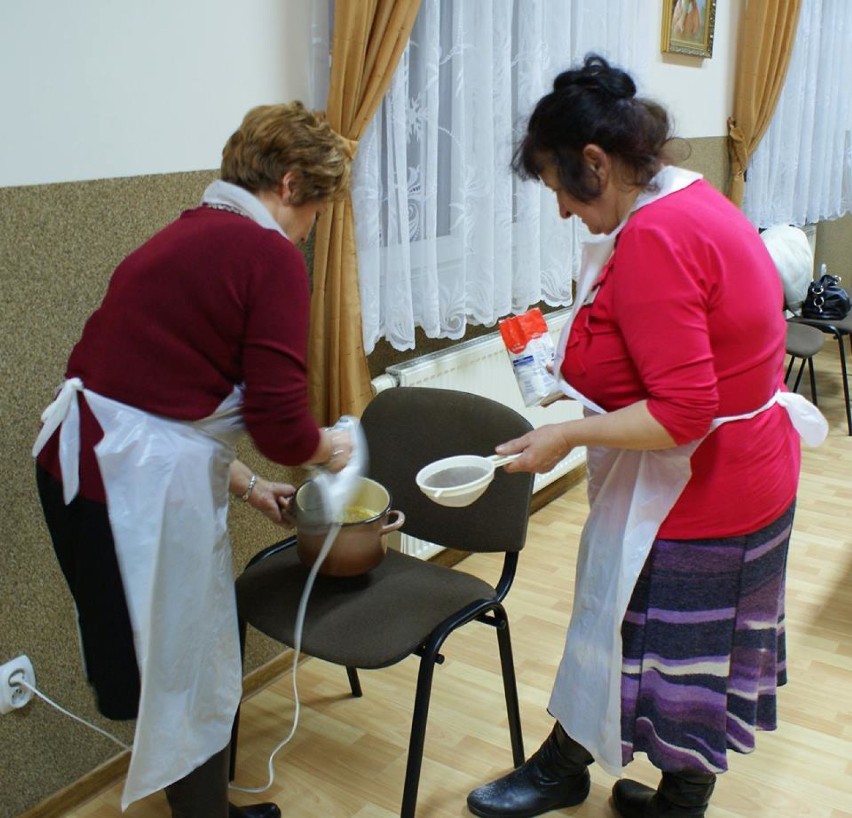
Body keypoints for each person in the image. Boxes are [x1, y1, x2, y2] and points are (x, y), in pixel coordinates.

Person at [466, 55, 826, 818]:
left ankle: (643, 791)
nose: (562, 209)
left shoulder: (661, 235)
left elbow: (686, 409)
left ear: (596, 162)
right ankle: (647, 785)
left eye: (560, 186)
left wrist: (565, 434)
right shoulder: (683, 195)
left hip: (706, 493)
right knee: (668, 645)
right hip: (740, 475)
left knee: (664, 648)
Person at [32, 101, 354, 818]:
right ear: (293, 185)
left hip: (78, 471)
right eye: (316, 212)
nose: (308, 232)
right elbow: (277, 423)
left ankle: (209, 811)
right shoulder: (266, 252)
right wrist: (327, 447)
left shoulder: (189, 233)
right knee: (184, 671)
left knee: (177, 670)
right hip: (122, 490)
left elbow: (158, 399)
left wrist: (243, 484)